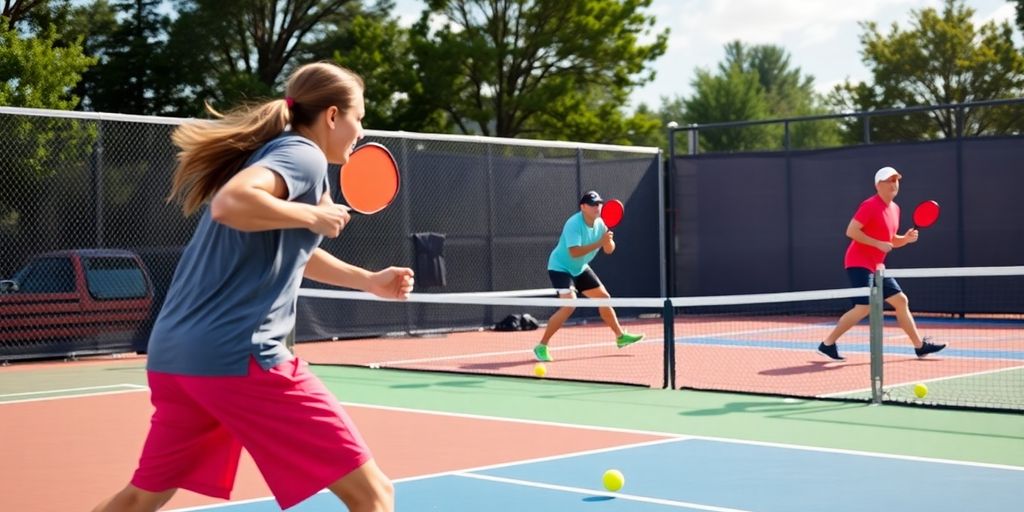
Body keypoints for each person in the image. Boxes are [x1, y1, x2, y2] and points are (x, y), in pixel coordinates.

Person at [93, 62, 412, 512]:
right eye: (360, 117)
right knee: (376, 495)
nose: (362, 130)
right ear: (333, 116)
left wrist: (367, 280)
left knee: (140, 499)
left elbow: (294, 252)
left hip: (175, 358)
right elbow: (230, 204)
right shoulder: (303, 155)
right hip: (239, 354)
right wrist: (313, 216)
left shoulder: (274, 156)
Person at [817, 166, 946, 362]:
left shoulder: (895, 209)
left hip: (877, 267)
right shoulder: (869, 205)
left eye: (896, 180)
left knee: (901, 301)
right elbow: (851, 231)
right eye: (889, 180)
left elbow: (892, 240)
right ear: (878, 185)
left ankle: (919, 346)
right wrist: (878, 243)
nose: (894, 184)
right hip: (858, 262)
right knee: (863, 307)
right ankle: (827, 344)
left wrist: (906, 238)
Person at [533, 191, 644, 362]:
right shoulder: (573, 224)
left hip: (580, 268)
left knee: (604, 298)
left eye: (599, 204)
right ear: (583, 207)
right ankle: (542, 346)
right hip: (560, 267)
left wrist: (608, 242)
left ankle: (620, 337)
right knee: (569, 305)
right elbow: (574, 252)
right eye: (592, 204)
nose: (597, 207)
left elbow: (609, 250)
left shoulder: (601, 224)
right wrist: (600, 242)